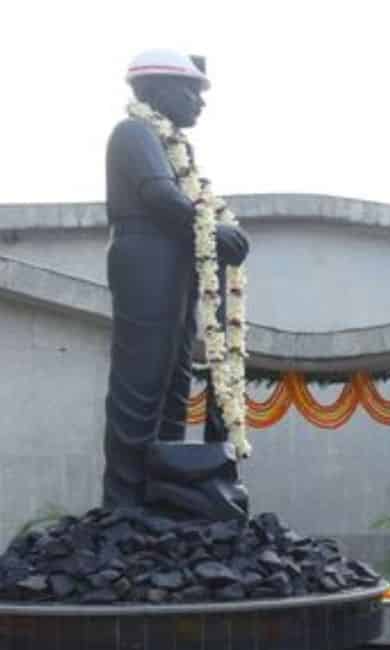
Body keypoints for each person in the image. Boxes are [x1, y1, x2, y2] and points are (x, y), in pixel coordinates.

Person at [104, 50, 251, 519]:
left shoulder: (174, 146)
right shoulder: (134, 133)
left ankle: (163, 492)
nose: (199, 103)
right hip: (146, 257)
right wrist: (216, 233)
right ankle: (125, 501)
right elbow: (160, 196)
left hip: (179, 259)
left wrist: (213, 237)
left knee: (174, 380)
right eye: (192, 90)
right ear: (157, 88)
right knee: (142, 380)